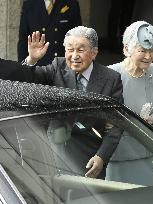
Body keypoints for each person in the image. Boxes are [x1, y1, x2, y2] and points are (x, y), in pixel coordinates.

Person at [18, 26, 123, 179]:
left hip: (89, 160)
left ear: (94, 52)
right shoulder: (57, 67)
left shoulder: (111, 79)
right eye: (70, 49)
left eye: (80, 50)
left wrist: (101, 157)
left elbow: (117, 124)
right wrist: (32, 59)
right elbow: (27, 81)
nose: (74, 56)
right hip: (53, 156)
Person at [106, 21, 153, 186]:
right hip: (117, 155)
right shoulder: (110, 75)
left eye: (152, 50)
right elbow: (95, 117)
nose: (148, 56)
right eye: (142, 50)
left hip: (146, 153)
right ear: (126, 49)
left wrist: (152, 119)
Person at [17, 0, 82, 66]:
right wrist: (22, 68)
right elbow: (23, 40)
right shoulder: (29, 4)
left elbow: (78, 38)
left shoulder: (71, 3)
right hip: (38, 67)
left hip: (64, 66)